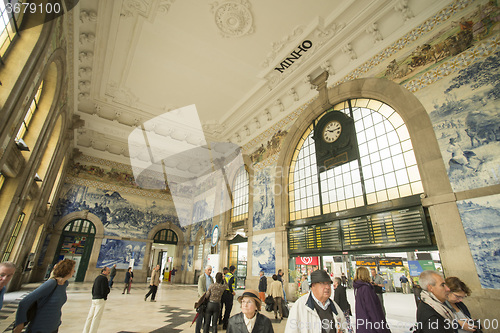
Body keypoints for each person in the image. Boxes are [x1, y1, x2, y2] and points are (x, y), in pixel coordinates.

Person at [14, 259, 75, 333]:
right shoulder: (51, 283)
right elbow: (24, 302)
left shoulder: (64, 284)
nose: (74, 271)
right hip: (40, 328)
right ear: (67, 270)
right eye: (73, 269)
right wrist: (20, 324)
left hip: (53, 327)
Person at [353, 267, 391, 333]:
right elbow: (371, 308)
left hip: (361, 321)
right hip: (370, 325)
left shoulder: (357, 287)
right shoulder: (366, 288)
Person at [83, 266, 111, 333]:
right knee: (96, 317)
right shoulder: (104, 278)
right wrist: (105, 295)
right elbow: (104, 290)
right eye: (108, 270)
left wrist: (94, 296)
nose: (109, 272)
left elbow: (93, 289)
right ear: (104, 271)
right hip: (100, 299)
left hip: (94, 298)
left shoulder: (97, 277)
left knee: (90, 317)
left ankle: (85, 331)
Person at [196, 265, 214, 333]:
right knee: (199, 317)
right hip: (202, 300)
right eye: (209, 270)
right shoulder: (201, 278)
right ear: (205, 270)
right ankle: (197, 331)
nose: (210, 271)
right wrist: (204, 296)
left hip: (209, 300)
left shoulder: (211, 278)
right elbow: (200, 289)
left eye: (210, 270)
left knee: (207, 317)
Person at [221, 265, 236, 329]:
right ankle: (225, 324)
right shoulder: (231, 276)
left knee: (222, 308)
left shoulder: (226, 275)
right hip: (229, 294)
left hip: (223, 293)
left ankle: (220, 321)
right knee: (228, 309)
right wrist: (232, 291)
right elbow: (230, 284)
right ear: (234, 270)